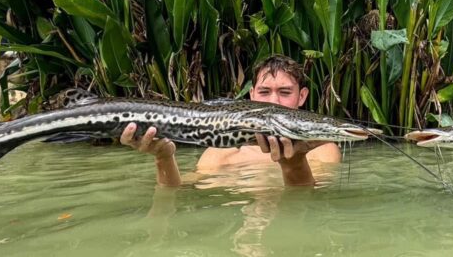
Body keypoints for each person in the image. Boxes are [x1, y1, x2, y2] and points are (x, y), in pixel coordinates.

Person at [121, 54, 340, 187]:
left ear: (302, 96)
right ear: (252, 95)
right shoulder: (222, 153)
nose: (274, 101)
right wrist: (163, 157)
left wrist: (294, 164)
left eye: (284, 92)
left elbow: (310, 207)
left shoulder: (322, 150)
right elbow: (175, 193)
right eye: (264, 92)